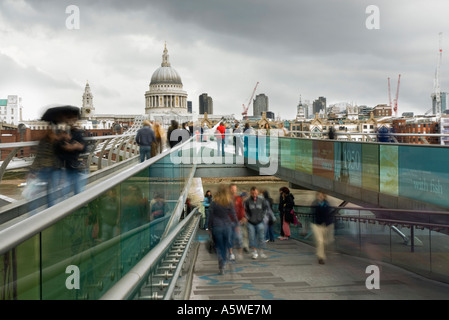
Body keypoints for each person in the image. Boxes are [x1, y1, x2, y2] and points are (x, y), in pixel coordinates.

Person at [208, 185, 237, 275]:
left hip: (217, 226)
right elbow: (233, 214)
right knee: (225, 246)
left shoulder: (214, 202)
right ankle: (223, 262)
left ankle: (221, 260)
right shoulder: (229, 202)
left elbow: (210, 216)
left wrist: (209, 227)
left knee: (218, 246)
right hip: (227, 226)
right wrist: (236, 224)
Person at [57, 116, 87, 197]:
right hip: (64, 168)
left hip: (74, 166)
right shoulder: (60, 133)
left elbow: (84, 148)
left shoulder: (77, 133)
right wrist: (64, 145)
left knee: (77, 191)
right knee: (65, 193)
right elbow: (57, 149)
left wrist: (76, 146)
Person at [244, 186, 269, 259]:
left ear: (257, 192)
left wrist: (262, 217)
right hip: (250, 222)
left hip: (260, 221)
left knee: (261, 237)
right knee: (252, 238)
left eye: (255, 193)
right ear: (250, 193)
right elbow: (245, 210)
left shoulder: (262, 200)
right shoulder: (247, 201)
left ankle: (261, 252)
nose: (254, 194)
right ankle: (254, 252)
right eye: (252, 193)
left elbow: (265, 209)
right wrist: (248, 218)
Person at [311, 191, 335, 264]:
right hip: (317, 225)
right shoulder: (315, 203)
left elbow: (329, 214)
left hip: (325, 225)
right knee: (320, 241)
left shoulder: (327, 204)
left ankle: (321, 253)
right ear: (317, 196)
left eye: (322, 195)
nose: (320, 197)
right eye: (319, 195)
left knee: (326, 241)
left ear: (324, 196)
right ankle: (321, 257)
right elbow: (313, 213)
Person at [229, 184, 245, 261]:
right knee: (229, 238)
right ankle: (231, 254)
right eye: (232, 189)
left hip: (237, 221)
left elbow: (242, 208)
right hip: (228, 221)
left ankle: (239, 253)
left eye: (235, 189)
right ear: (229, 189)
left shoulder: (239, 198)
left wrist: (243, 217)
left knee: (239, 237)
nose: (234, 190)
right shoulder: (226, 199)